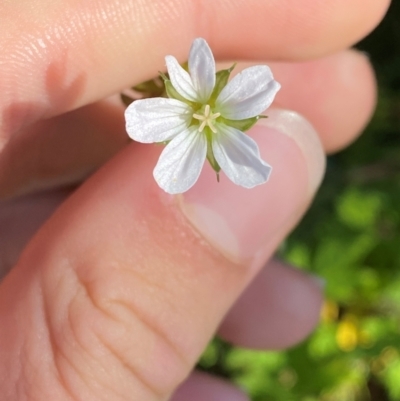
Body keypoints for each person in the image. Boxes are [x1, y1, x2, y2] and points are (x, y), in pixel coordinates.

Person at [0, 0, 390, 399]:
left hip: (189, 107)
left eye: (210, 116)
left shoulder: (219, 116)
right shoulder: (191, 109)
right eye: (206, 115)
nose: (207, 116)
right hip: (182, 104)